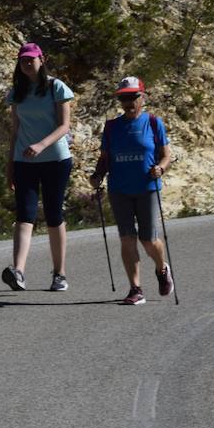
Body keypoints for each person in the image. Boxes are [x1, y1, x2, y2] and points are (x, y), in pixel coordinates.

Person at [89, 76, 175, 306]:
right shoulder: (111, 127)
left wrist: (161, 168)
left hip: (147, 188)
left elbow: (166, 155)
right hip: (119, 189)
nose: (128, 102)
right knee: (127, 238)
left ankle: (161, 268)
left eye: (133, 97)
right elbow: (105, 158)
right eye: (124, 98)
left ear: (142, 97)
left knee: (148, 240)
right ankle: (135, 288)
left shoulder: (154, 123)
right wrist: (98, 175)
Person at [2, 42, 74, 292]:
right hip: (25, 161)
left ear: (42, 60)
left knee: (54, 215)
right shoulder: (17, 92)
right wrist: (10, 165)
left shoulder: (56, 87)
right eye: (23, 60)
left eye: (31, 59)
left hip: (55, 159)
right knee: (25, 215)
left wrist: (42, 145)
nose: (27, 63)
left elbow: (65, 126)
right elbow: (15, 130)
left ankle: (60, 274)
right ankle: (18, 271)